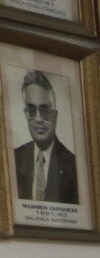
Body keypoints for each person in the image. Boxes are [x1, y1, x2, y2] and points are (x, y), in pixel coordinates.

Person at [13, 70, 76, 205]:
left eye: (44, 110)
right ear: (26, 114)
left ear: (55, 116)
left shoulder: (73, 166)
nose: (38, 119)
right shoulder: (14, 159)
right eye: (31, 110)